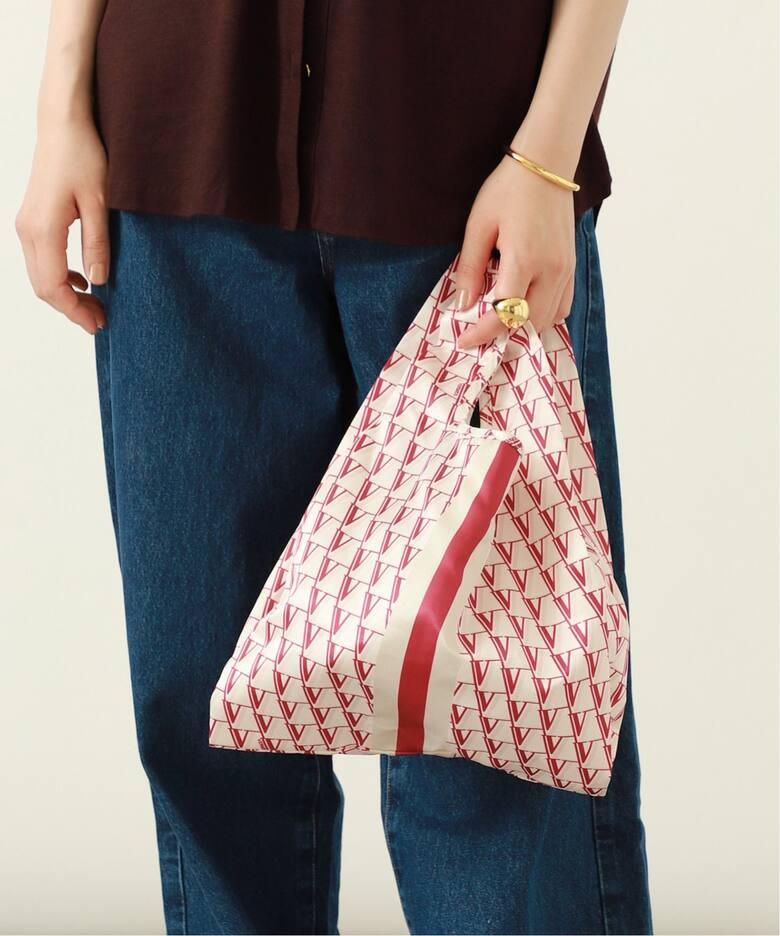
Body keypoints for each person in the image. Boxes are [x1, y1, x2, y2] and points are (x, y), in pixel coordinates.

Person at [16, 2, 652, 934]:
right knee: (202, 705)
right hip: (179, 150)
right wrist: (61, 106)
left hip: (468, 169)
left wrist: (548, 154)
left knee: (500, 720)